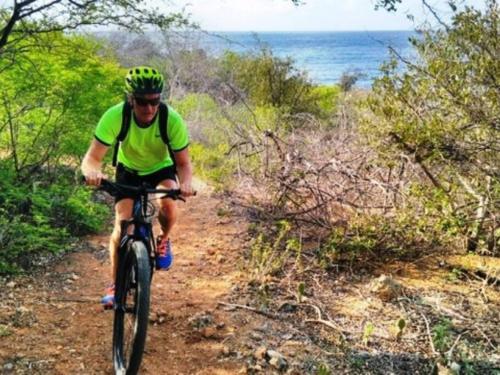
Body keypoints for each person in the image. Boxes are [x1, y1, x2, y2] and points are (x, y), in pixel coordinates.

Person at [81, 66, 194, 307]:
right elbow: (92, 157)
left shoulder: (170, 119)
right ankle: (114, 284)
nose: (149, 108)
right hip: (128, 170)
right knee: (122, 225)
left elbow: (183, 163)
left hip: (161, 168)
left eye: (155, 101)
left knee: (168, 203)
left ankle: (163, 239)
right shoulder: (115, 116)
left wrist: (185, 183)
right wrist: (92, 172)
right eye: (142, 102)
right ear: (131, 99)